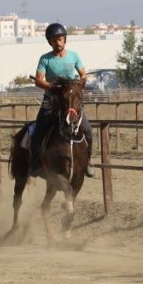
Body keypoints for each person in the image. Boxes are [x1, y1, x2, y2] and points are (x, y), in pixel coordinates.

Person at [31, 23, 94, 178]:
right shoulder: (45, 59)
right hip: (51, 100)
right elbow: (39, 81)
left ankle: (88, 162)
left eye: (60, 39)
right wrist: (54, 87)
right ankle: (35, 162)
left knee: (88, 130)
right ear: (49, 41)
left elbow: (83, 75)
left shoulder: (74, 56)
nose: (57, 42)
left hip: (71, 101)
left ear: (64, 39)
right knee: (39, 129)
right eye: (54, 39)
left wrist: (80, 83)